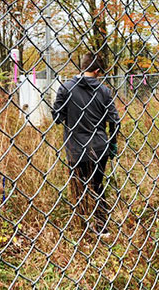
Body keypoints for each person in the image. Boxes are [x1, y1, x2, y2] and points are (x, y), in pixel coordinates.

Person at [52, 53, 120, 237]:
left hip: (75, 148)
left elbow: (57, 116)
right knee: (97, 185)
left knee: (78, 185)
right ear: (97, 71)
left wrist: (70, 114)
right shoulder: (104, 91)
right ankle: (102, 227)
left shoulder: (65, 88)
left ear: (82, 67)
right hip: (99, 147)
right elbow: (115, 120)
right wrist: (112, 143)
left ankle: (81, 226)